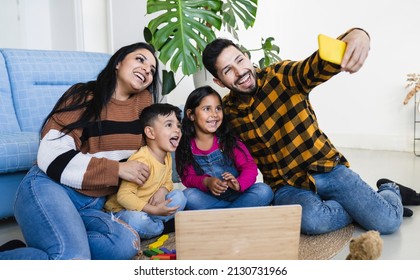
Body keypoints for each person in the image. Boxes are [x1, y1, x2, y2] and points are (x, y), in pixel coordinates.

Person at [201, 28, 420, 235]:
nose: (240, 72)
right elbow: (204, 135)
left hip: (327, 169)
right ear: (219, 81)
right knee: (311, 220)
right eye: (228, 70)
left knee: (388, 222)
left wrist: (358, 34)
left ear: (247, 57)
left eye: (239, 60)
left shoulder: (282, 76)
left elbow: (317, 64)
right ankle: (361, 208)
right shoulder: (227, 113)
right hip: (286, 186)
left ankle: (390, 189)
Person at [0, 42, 160, 259]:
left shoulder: (144, 108)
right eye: (140, 59)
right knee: (73, 258)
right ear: (118, 62)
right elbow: (52, 153)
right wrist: (117, 170)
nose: (146, 70)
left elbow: (157, 154)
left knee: (126, 244)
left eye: (152, 69)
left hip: (93, 203)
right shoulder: (83, 95)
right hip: (51, 187)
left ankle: (26, 254)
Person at [175, 85, 274, 210]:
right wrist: (207, 182)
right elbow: (188, 178)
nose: (214, 114)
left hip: (239, 196)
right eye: (207, 109)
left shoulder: (229, 140)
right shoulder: (185, 146)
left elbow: (249, 166)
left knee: (264, 191)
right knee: (188, 196)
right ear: (191, 114)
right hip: (211, 198)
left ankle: (223, 215)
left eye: (218, 108)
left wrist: (239, 183)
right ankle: (236, 213)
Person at [104, 103, 187, 239]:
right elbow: (123, 197)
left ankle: (152, 225)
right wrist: (154, 210)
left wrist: (163, 191)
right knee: (136, 220)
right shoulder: (141, 160)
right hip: (124, 210)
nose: (177, 130)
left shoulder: (167, 155)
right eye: (169, 125)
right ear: (150, 132)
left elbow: (168, 181)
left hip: (150, 207)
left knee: (180, 197)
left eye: (178, 125)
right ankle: (161, 227)